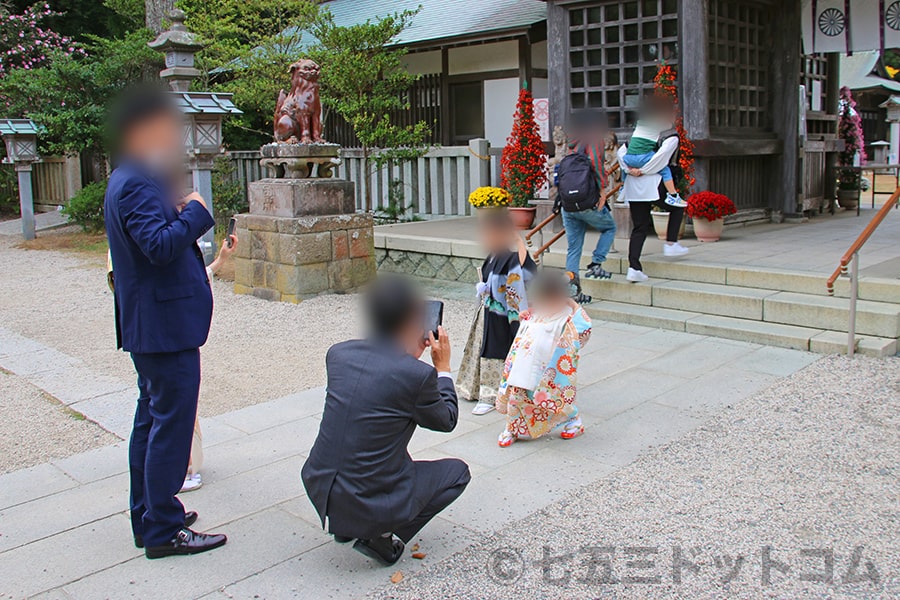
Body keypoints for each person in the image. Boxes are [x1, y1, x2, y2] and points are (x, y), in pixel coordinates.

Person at [104, 85, 226, 559]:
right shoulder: (134, 181)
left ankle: (149, 512)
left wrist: (175, 209)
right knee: (170, 425)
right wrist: (196, 212)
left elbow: (149, 234)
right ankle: (162, 528)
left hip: (154, 324)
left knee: (151, 422)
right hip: (162, 326)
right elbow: (156, 246)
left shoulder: (134, 178)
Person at [301, 275, 470, 566]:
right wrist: (442, 368)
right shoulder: (416, 376)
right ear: (411, 320)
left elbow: (380, 382)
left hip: (320, 485)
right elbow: (447, 420)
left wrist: (407, 357)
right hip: (364, 496)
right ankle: (378, 536)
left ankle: (348, 523)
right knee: (458, 474)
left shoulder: (339, 354)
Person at [496, 270, 592, 447]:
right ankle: (512, 427)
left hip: (550, 368)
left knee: (555, 399)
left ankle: (574, 421)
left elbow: (584, 328)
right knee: (517, 396)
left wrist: (571, 303)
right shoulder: (536, 313)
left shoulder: (567, 317)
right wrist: (525, 317)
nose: (547, 302)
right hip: (525, 364)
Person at [457, 209, 537, 415]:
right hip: (487, 313)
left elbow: (526, 274)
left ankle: (493, 394)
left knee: (498, 350)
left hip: (503, 315)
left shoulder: (511, 258)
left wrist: (519, 242)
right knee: (482, 348)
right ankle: (479, 390)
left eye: (492, 233)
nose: (487, 238)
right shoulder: (493, 256)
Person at [180, 234, 238, 494]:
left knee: (179, 403)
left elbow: (192, 278)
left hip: (175, 331)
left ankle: (181, 466)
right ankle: (178, 469)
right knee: (175, 405)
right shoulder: (156, 233)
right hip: (168, 334)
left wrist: (220, 261)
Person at [617, 102, 690, 283]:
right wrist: (643, 170)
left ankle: (634, 267)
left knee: (639, 228)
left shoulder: (637, 135)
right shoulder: (671, 137)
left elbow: (621, 152)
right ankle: (671, 243)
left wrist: (628, 170)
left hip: (634, 187)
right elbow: (661, 160)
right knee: (677, 206)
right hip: (652, 184)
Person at [558, 109, 617, 283]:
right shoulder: (593, 139)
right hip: (587, 201)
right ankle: (596, 263)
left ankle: (573, 289)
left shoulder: (570, 144)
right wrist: (603, 190)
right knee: (610, 228)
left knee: (574, 248)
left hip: (568, 204)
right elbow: (596, 165)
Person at [621, 95, 687, 208]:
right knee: (665, 170)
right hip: (642, 158)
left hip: (629, 158)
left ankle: (623, 186)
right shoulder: (659, 124)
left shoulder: (640, 123)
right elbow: (670, 124)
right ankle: (673, 195)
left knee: (625, 167)